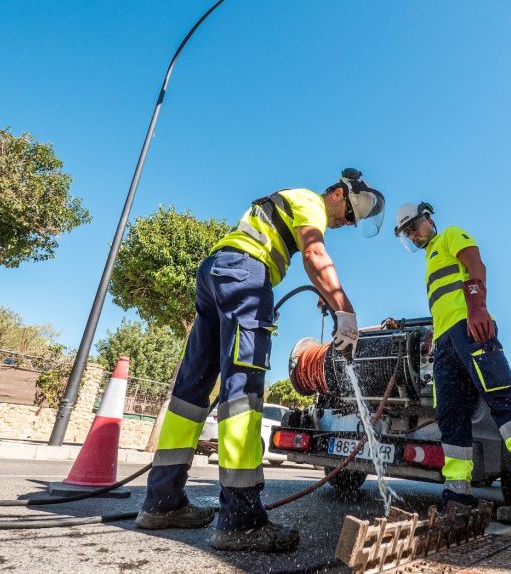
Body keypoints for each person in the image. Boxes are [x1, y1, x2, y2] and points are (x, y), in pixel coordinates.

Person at [137, 169, 385, 552]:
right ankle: (241, 522)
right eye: (351, 212)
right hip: (246, 276)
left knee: (191, 393)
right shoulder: (311, 202)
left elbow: (305, 257)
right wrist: (345, 309)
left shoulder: (285, 203)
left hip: (215, 271)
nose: (349, 222)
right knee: (243, 396)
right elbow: (314, 254)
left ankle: (162, 502)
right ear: (337, 193)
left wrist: (326, 295)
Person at [393, 202, 511, 526]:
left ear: (428, 218)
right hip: (446, 343)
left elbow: (475, 264)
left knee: (504, 403)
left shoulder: (450, 235)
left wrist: (478, 308)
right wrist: (436, 335)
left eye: (414, 227)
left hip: (470, 331)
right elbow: (445, 302)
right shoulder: (429, 259)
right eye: (407, 233)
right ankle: (457, 499)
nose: (412, 235)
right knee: (451, 416)